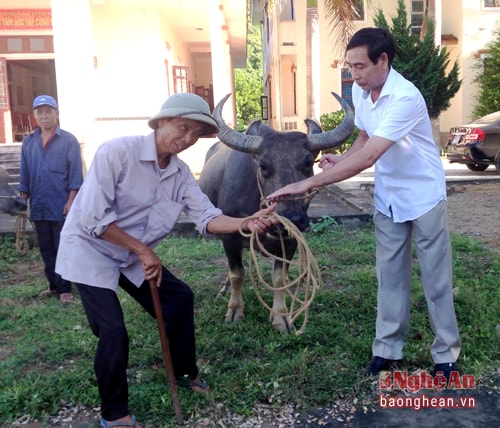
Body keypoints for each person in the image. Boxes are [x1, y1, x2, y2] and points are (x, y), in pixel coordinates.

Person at [55, 93, 277, 428]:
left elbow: (208, 217)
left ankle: (185, 371)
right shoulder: (116, 152)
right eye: (183, 128)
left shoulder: (180, 174)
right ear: (160, 122)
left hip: (130, 254)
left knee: (179, 298)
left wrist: (245, 222)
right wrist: (143, 250)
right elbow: (93, 218)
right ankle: (114, 415)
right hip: (90, 248)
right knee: (113, 330)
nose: (187, 139)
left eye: (195, 135)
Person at [267, 28, 460, 381]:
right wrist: (340, 160)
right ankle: (387, 349)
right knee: (389, 277)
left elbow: (370, 156)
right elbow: (364, 136)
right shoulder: (362, 89)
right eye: (350, 66)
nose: (353, 74)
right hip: (388, 198)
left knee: (436, 279)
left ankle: (445, 354)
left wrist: (305, 182)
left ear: (383, 60)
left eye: (360, 66)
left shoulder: (405, 98)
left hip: (424, 196)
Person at [18, 95, 83, 303]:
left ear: (57, 114)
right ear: (34, 115)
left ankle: (65, 288)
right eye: (40, 112)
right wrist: (22, 200)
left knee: (63, 246)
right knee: (46, 247)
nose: (44, 116)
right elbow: (24, 174)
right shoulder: (28, 142)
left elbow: (75, 175)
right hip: (38, 206)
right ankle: (54, 285)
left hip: (61, 204)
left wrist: (71, 201)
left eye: (48, 111)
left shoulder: (68, 140)